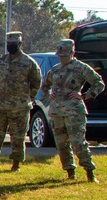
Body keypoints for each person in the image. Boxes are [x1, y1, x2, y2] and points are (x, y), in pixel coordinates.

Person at [40, 39, 104, 183]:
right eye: (60, 55)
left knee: (78, 143)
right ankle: (70, 172)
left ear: (72, 53)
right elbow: (45, 85)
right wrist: (48, 95)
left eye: (64, 55)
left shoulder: (81, 68)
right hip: (57, 111)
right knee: (62, 144)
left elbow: (98, 83)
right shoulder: (55, 69)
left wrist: (85, 95)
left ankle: (89, 172)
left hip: (74, 112)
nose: (61, 57)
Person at [0, 31, 41, 172]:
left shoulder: (29, 63)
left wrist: (26, 97)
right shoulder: (1, 61)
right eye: (9, 44)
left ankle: (16, 164)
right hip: (1, 104)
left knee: (18, 136)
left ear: (20, 44)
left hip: (19, 106)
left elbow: (36, 82)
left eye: (14, 44)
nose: (11, 46)